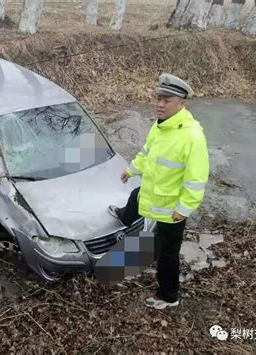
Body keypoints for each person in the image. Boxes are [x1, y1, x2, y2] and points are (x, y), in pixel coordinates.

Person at [107, 73, 209, 309]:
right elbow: (147, 154)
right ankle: (124, 216)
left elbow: (196, 179)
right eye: (159, 98)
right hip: (153, 194)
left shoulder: (192, 137)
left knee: (167, 254)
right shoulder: (159, 126)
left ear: (181, 103)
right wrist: (131, 170)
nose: (160, 104)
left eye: (167, 100)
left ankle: (168, 297)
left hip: (171, 209)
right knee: (135, 196)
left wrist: (183, 210)